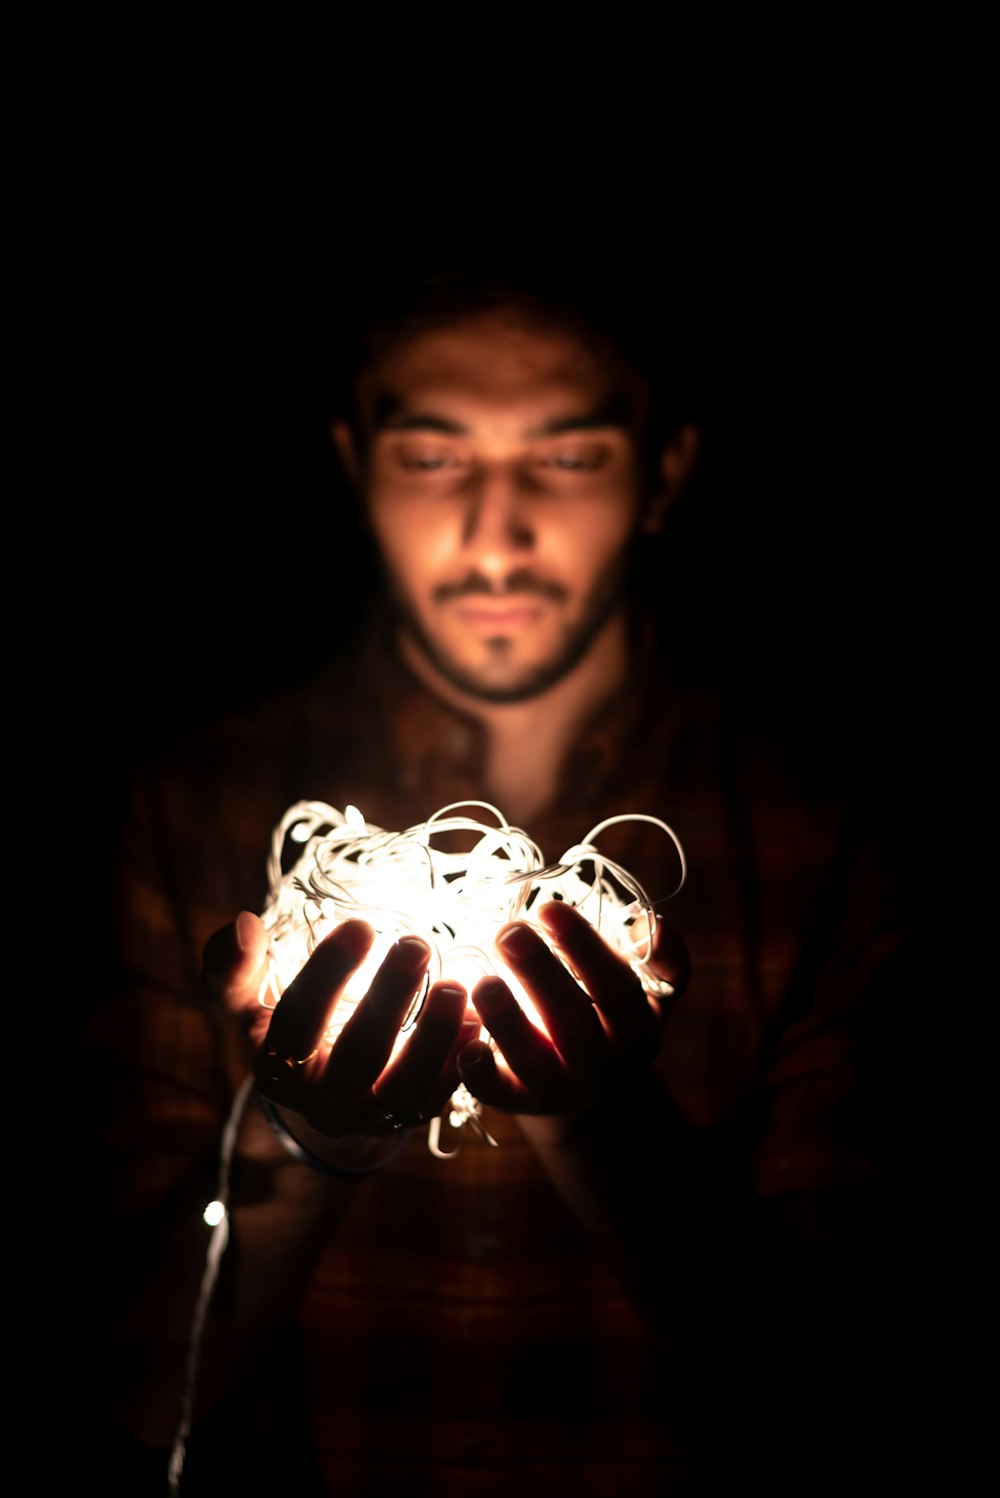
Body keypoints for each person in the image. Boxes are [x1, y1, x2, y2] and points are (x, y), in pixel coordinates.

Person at [81, 251, 910, 1496]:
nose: (496, 532)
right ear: (357, 461)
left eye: (566, 457)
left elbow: (848, 1414)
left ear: (663, 469)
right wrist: (311, 1139)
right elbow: (136, 1401)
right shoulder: (185, 807)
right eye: (435, 456)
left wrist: (595, 1116)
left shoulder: (818, 831)